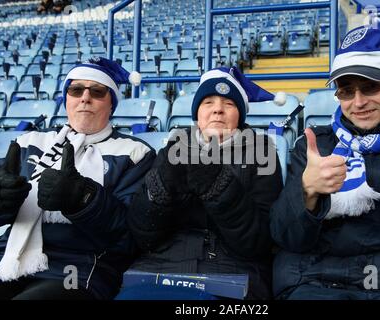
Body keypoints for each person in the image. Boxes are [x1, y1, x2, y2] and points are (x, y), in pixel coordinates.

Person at [270, 21, 380, 300]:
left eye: (370, 87)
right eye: (346, 90)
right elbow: (285, 237)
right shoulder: (313, 146)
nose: (358, 102)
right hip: (315, 284)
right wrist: (306, 192)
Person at [0, 57, 155, 300]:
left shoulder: (135, 153)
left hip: (79, 268)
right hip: (8, 255)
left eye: (98, 91)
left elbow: (131, 237)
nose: (85, 97)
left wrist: (82, 199)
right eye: (76, 89)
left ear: (111, 104)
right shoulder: (27, 143)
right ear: (66, 99)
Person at [119, 67, 284, 300]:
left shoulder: (262, 152)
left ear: (240, 115)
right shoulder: (174, 149)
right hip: (160, 269)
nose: (217, 109)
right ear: (197, 113)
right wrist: (159, 191)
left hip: (231, 275)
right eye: (208, 102)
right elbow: (142, 234)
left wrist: (219, 188)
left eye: (229, 103)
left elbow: (259, 242)